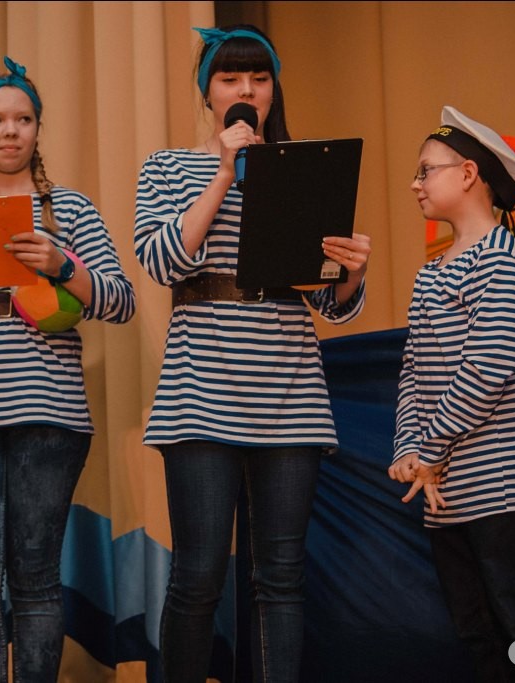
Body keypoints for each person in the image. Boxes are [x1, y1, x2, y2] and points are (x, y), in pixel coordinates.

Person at [134, 25, 370, 682]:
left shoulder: (303, 165)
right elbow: (162, 261)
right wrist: (223, 172)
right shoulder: (167, 167)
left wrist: (349, 271)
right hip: (200, 387)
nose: (247, 90)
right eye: (231, 78)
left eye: (259, 78)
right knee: (198, 573)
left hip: (289, 386)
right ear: (208, 91)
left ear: (273, 88)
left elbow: (330, 304)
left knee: (282, 577)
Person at [0, 56, 135, 682]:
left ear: (38, 129)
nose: (10, 131)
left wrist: (63, 266)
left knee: (36, 574)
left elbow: (121, 301)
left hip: (52, 408)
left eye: (23, 119)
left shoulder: (70, 208)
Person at [388, 106, 515, 682]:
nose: (415, 184)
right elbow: (413, 373)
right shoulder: (431, 271)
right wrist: (407, 449)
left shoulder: (502, 259)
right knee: (477, 632)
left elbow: (488, 368)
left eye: (426, 170)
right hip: (447, 492)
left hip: (503, 487)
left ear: (468, 174)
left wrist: (430, 449)